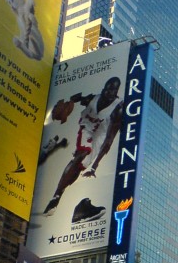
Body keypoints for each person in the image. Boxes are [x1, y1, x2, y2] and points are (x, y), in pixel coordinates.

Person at [42, 76, 123, 218]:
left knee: (80, 167)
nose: (107, 92)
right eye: (106, 88)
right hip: (87, 127)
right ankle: (55, 197)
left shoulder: (117, 109)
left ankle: (59, 194)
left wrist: (94, 167)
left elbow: (109, 140)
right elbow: (77, 98)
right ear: (104, 88)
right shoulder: (92, 99)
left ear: (116, 91)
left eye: (112, 90)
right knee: (81, 155)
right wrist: (70, 102)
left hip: (101, 135)